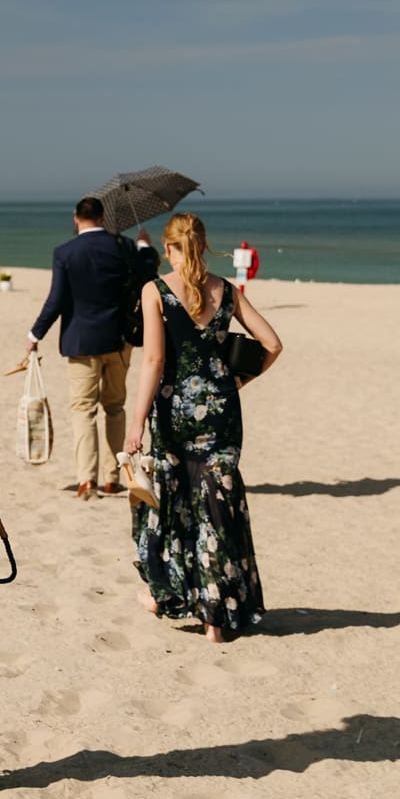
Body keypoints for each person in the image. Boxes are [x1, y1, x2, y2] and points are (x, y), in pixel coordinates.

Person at [123, 213, 283, 642]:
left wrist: (135, 422)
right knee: (218, 509)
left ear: (170, 249)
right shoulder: (226, 290)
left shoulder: (155, 290)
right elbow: (272, 344)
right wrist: (237, 381)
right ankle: (219, 617)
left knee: (172, 505)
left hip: (174, 412)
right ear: (202, 245)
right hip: (221, 413)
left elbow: (154, 362)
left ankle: (168, 593)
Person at [25, 196, 141, 499]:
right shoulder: (123, 246)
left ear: (77, 219)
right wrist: (143, 248)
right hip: (119, 340)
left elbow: (57, 300)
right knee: (115, 408)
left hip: (81, 341)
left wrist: (35, 333)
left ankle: (87, 480)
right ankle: (114, 477)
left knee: (83, 410)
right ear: (103, 218)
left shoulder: (65, 252)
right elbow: (142, 281)